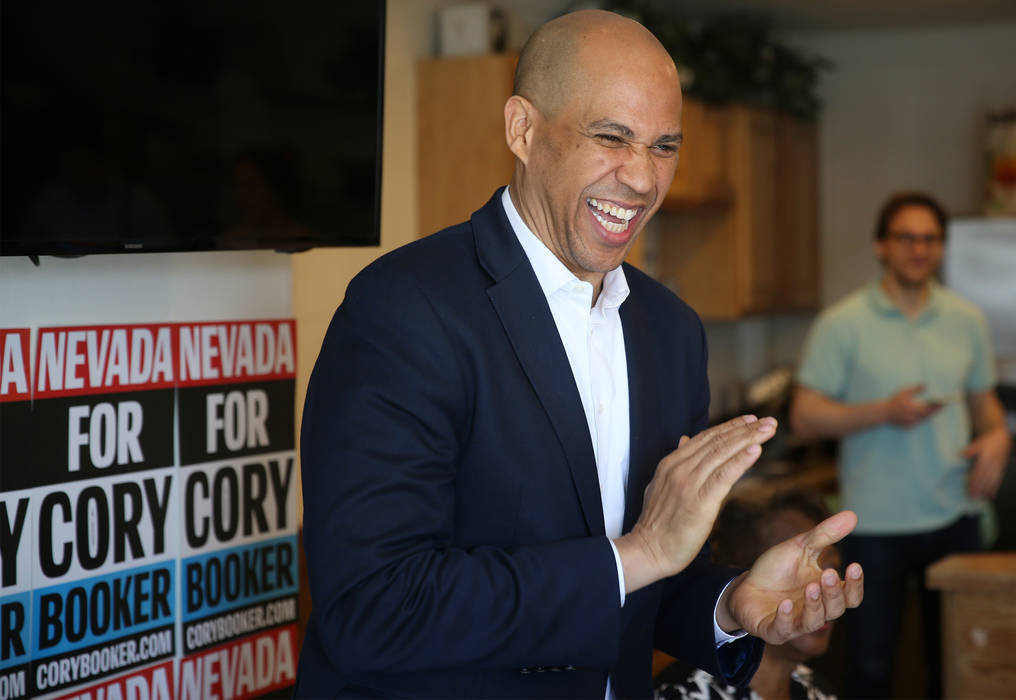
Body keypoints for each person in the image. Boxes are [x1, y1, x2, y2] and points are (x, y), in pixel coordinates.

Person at [296, 10, 863, 699]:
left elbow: (647, 577)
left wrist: (733, 606)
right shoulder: (405, 309)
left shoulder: (671, 331)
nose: (642, 178)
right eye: (611, 137)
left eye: (664, 147)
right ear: (522, 130)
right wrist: (639, 554)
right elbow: (374, 607)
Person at [790, 191, 1011, 699]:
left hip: (957, 516)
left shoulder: (966, 319)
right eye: (906, 238)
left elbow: (985, 403)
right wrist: (883, 412)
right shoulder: (843, 323)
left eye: (931, 239)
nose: (919, 249)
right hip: (875, 525)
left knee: (962, 663)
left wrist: (997, 434)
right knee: (870, 668)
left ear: (941, 248)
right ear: (881, 247)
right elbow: (804, 416)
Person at [655, 490, 841, 700]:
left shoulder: (816, 689)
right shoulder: (687, 693)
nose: (823, 591)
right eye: (795, 576)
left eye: (830, 569)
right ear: (739, 579)